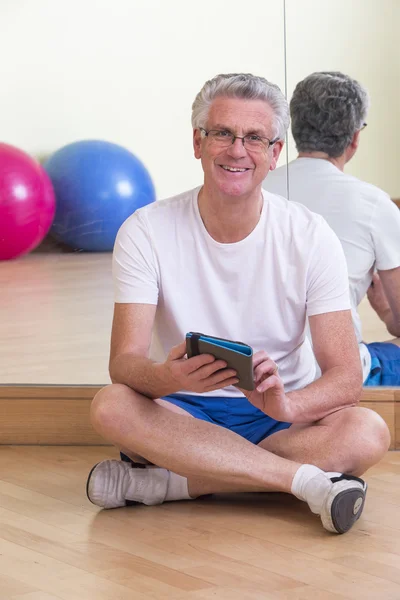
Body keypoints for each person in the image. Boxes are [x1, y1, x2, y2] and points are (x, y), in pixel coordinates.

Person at [87, 73, 389, 535]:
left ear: (274, 153)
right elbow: (123, 364)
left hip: (278, 419)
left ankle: (173, 484)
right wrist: (165, 377)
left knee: (369, 432)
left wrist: (287, 406)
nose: (236, 150)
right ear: (197, 142)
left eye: (254, 138)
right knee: (111, 406)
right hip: (185, 411)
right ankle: (306, 482)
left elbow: (346, 376)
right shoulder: (145, 229)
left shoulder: (310, 235)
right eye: (222, 133)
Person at [263, 71, 400, 385]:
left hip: (255, 368)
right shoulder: (375, 204)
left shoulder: (254, 188)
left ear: (294, 127)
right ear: (354, 138)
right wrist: (381, 306)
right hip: (330, 374)